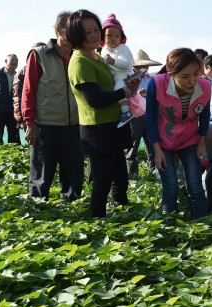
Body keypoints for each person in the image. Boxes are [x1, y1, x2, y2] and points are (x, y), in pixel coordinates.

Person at [66, 9, 140, 217]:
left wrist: (130, 86)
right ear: (76, 34)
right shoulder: (80, 61)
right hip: (97, 129)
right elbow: (94, 100)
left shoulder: (98, 56)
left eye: (96, 30)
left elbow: (112, 86)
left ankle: (123, 216)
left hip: (113, 124)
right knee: (102, 180)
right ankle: (97, 220)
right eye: (87, 32)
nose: (94, 35)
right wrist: (122, 92)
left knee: (120, 176)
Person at [22, 12, 83, 202]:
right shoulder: (39, 56)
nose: (76, 37)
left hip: (74, 125)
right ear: (59, 30)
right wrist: (30, 124)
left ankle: (72, 214)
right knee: (41, 176)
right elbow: (28, 92)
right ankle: (38, 213)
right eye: (71, 32)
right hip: (46, 126)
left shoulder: (79, 56)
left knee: (73, 176)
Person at [145, 47, 210, 218]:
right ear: (171, 74)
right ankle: (170, 227)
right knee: (171, 186)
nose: (192, 81)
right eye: (185, 76)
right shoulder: (157, 84)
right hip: (164, 140)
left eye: (196, 74)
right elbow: (150, 117)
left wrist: (201, 144)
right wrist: (157, 150)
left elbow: (204, 116)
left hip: (190, 140)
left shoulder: (205, 86)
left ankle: (203, 226)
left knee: (196, 186)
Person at [125, 49, 162, 175]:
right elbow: (125, 97)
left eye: (146, 66)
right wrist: (137, 94)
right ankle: (131, 173)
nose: (144, 68)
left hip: (150, 114)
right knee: (133, 144)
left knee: (152, 143)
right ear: (135, 67)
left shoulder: (151, 79)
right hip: (135, 116)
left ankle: (154, 171)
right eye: (141, 66)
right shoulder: (129, 79)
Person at [99, 13, 136, 128]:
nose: (113, 39)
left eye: (116, 36)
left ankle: (126, 113)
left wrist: (114, 62)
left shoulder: (123, 48)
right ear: (103, 38)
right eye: (109, 36)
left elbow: (125, 64)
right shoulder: (103, 50)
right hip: (114, 76)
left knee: (118, 90)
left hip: (124, 75)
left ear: (121, 37)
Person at [13, 42, 45, 130]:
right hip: (31, 117)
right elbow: (19, 97)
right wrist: (22, 119)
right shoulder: (23, 72)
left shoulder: (48, 69)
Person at [0, 54, 21, 144]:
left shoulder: (19, 75)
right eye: (12, 60)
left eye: (16, 61)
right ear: (6, 61)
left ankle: (16, 154)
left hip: (13, 109)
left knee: (14, 134)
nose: (15, 62)